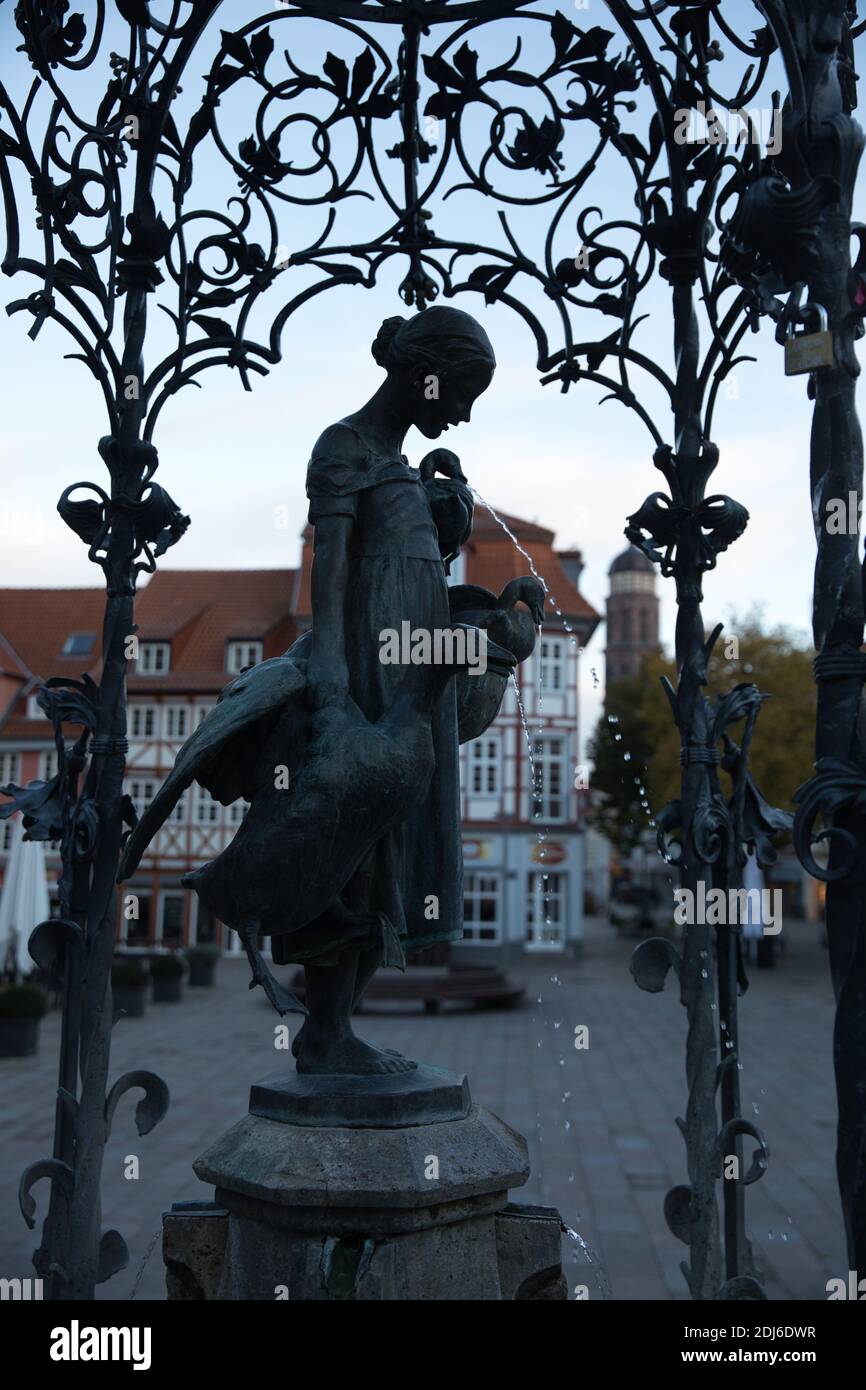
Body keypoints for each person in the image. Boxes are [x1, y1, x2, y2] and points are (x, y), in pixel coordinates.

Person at [291, 306, 496, 1074]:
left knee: (409, 843)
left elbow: (419, 572)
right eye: (463, 392)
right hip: (373, 669)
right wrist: (334, 684)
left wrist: (446, 525)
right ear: (424, 374)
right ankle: (326, 1030)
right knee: (362, 839)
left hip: (419, 673)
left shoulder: (407, 469)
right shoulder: (344, 447)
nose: (464, 413)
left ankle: (335, 1028)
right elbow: (333, 572)